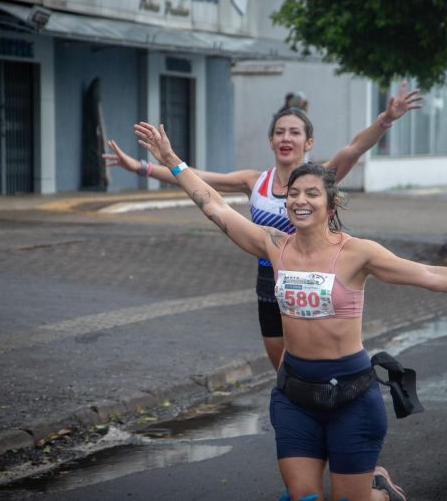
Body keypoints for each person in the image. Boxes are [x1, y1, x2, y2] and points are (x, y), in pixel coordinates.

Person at [132, 121, 447, 501]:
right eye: (294, 194)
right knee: (302, 497)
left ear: (330, 205)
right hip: (294, 394)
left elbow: (429, 275)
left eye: (312, 194)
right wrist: (171, 159)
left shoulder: (358, 253)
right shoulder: (273, 247)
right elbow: (214, 205)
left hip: (352, 397)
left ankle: (377, 490)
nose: (300, 200)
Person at [105, 81, 422, 370]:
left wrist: (386, 120)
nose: (286, 138)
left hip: (312, 278)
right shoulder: (253, 181)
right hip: (268, 281)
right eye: (280, 132)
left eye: (295, 132)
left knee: (311, 361)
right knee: (283, 369)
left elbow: (354, 148)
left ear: (308, 141)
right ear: (271, 141)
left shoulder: (320, 180)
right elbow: (197, 179)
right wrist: (140, 166)